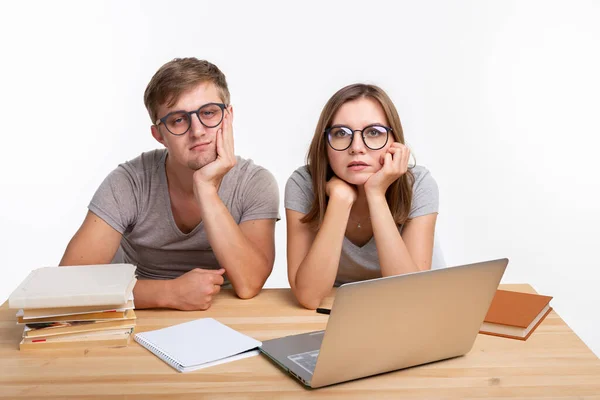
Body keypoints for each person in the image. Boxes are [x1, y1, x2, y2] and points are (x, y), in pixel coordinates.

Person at [60, 58, 280, 310]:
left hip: (223, 313)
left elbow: (249, 284)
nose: (197, 130)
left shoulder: (255, 183)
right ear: (159, 135)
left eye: (208, 113)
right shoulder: (129, 182)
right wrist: (168, 293)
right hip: (138, 313)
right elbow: (67, 285)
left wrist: (206, 189)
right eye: (178, 120)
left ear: (228, 117)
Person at [285, 83, 439, 309]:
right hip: (333, 309)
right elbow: (309, 297)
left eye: (374, 132)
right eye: (341, 133)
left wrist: (376, 193)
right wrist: (340, 200)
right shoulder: (303, 184)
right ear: (325, 144)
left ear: (394, 143)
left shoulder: (419, 184)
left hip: (397, 311)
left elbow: (409, 297)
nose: (356, 147)